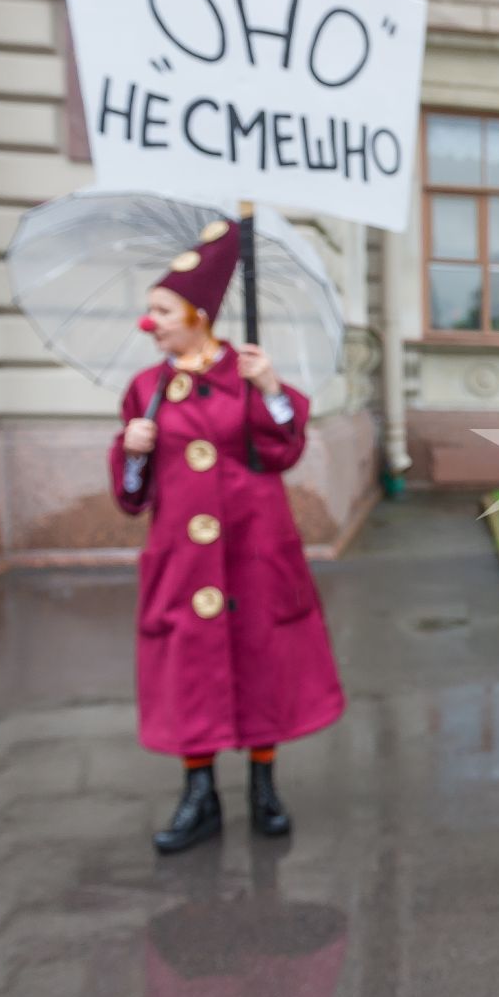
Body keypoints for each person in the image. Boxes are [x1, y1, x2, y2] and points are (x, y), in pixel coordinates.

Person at [110, 219, 347, 855]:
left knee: (261, 657)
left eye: (161, 310)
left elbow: (284, 450)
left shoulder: (247, 372)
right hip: (182, 562)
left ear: (196, 313)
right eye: (150, 311)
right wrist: (132, 450)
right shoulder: (146, 388)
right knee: (189, 666)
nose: (150, 322)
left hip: (254, 548)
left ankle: (264, 786)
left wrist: (271, 391)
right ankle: (199, 795)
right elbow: (134, 494)